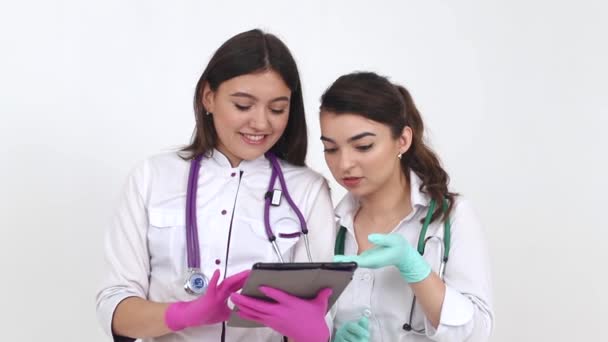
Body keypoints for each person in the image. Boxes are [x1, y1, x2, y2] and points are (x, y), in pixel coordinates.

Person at [96, 29, 336, 342]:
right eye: (243, 105)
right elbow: (114, 304)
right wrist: (181, 315)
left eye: (277, 109)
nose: (261, 123)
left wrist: (315, 332)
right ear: (208, 97)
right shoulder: (152, 177)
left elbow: (323, 312)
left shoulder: (307, 191)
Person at [318, 72, 494, 341]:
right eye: (331, 149)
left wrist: (415, 269)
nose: (344, 164)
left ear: (402, 140)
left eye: (363, 146)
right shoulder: (326, 225)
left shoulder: (451, 217)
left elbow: (478, 333)